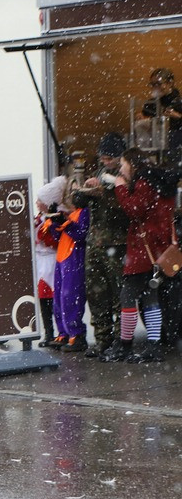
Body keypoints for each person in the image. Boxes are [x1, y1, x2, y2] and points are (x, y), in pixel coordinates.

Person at [102, 149, 176, 363]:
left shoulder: (144, 182)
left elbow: (134, 209)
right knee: (151, 297)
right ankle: (153, 345)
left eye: (124, 163)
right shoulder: (162, 181)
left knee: (127, 296)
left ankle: (125, 345)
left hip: (144, 250)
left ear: (132, 164)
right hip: (159, 250)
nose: (122, 168)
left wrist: (120, 188)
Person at [77, 133, 129, 357]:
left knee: (118, 293)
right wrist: (84, 191)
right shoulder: (100, 173)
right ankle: (102, 339)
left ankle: (120, 339)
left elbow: (126, 208)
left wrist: (104, 194)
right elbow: (78, 202)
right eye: (103, 157)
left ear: (119, 157)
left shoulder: (126, 175)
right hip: (95, 242)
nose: (105, 161)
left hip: (116, 243)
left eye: (109, 158)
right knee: (96, 294)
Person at [39, 178, 90, 353]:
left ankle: (76, 334)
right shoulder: (72, 213)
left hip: (73, 258)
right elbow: (58, 236)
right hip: (62, 258)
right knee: (59, 298)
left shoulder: (83, 213)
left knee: (71, 298)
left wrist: (64, 223)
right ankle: (64, 332)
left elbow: (80, 234)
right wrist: (55, 223)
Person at [33, 178, 65, 348]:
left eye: (40, 200)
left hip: (51, 260)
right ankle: (49, 332)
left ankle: (60, 332)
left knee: (53, 298)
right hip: (41, 262)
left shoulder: (55, 218)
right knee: (43, 299)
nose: (37, 203)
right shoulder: (41, 218)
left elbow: (53, 240)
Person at [137, 68, 182, 165]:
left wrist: (178, 116)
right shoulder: (151, 103)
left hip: (175, 149)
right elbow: (144, 124)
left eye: (158, 83)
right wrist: (142, 119)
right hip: (153, 148)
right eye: (152, 84)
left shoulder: (179, 102)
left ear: (170, 83)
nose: (155, 87)